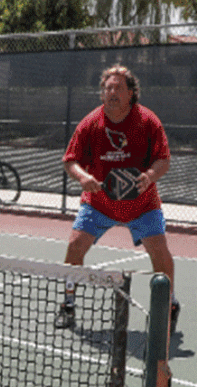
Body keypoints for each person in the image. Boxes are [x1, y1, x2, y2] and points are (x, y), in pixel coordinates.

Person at [56, 64, 180, 332]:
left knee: (160, 253)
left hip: (142, 204)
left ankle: (168, 305)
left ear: (131, 93)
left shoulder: (148, 121)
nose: (112, 92)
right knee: (75, 246)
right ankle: (67, 304)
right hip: (98, 203)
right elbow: (70, 161)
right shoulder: (90, 123)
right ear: (102, 94)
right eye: (107, 88)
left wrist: (149, 176)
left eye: (118, 88)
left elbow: (164, 160)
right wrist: (82, 178)